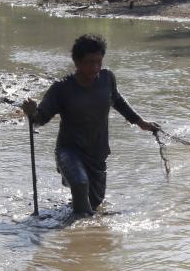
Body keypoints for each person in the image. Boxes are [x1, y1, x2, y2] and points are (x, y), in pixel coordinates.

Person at [21, 33, 159, 216]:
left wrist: (141, 122)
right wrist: (31, 112)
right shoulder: (62, 88)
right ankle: (82, 230)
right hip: (69, 151)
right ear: (77, 62)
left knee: (94, 203)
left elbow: (117, 101)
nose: (95, 67)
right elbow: (40, 119)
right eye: (89, 62)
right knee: (79, 183)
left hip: (97, 152)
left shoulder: (107, 78)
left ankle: (82, 219)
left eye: (99, 62)